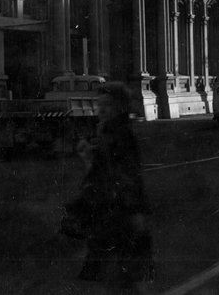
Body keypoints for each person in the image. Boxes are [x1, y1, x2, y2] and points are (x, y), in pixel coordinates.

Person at [65, 81, 154, 290]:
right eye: (99, 104)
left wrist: (135, 211)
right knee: (117, 275)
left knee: (117, 275)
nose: (101, 110)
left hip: (117, 214)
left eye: (108, 105)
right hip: (110, 213)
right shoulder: (107, 131)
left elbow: (127, 175)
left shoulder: (120, 134)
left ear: (120, 107)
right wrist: (89, 157)